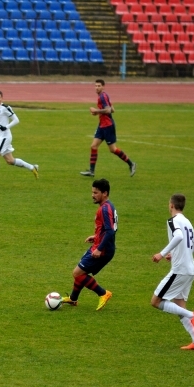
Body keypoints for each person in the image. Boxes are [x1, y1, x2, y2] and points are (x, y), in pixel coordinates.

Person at [151, 194, 194, 350]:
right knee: (179, 305)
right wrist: (173, 254)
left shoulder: (173, 221)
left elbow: (179, 236)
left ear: (171, 205)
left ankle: (192, 315)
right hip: (190, 269)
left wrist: (161, 253)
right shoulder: (187, 222)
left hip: (180, 270)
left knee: (156, 301)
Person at [62, 178, 116, 310]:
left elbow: (110, 231)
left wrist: (99, 249)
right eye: (92, 192)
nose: (93, 195)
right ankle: (73, 299)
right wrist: (96, 236)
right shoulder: (108, 206)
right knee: (80, 271)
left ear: (105, 193)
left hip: (102, 249)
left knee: (78, 273)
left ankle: (103, 293)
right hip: (99, 245)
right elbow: (107, 229)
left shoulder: (104, 209)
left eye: (96, 192)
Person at [0, 90, 39, 188]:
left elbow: (16, 120)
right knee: (10, 161)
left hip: (5, 136)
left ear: (2, 98)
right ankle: (33, 167)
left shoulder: (5, 108)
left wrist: (6, 127)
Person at [80, 80, 136, 178]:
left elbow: (109, 110)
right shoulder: (104, 96)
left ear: (103, 87)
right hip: (102, 125)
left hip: (108, 126)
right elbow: (113, 109)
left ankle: (131, 164)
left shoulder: (102, 96)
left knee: (113, 149)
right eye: (95, 86)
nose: (96, 87)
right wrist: (99, 112)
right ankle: (91, 171)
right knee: (93, 146)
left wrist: (96, 111)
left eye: (99, 86)